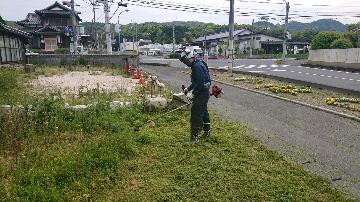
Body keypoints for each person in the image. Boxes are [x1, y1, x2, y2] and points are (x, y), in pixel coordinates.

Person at [179, 49, 212, 144]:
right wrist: (188, 89)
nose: (185, 63)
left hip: (202, 93)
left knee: (196, 113)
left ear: (189, 58)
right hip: (203, 92)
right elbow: (196, 82)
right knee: (204, 112)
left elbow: (201, 83)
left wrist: (193, 93)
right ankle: (207, 132)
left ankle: (194, 138)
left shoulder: (197, 67)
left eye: (185, 61)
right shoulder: (197, 64)